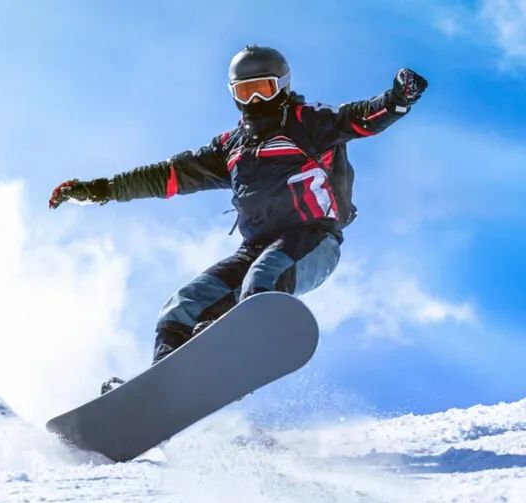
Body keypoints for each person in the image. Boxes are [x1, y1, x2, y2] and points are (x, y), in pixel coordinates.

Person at [49, 45, 428, 392]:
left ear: (282, 86)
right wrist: (99, 189)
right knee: (184, 304)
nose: (255, 100)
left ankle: (233, 358)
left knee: (260, 282)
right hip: (256, 246)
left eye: (263, 89)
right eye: (246, 92)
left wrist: (398, 100)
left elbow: (359, 118)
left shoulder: (309, 123)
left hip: (313, 239)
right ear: (233, 94)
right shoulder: (231, 148)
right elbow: (165, 175)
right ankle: (162, 387)